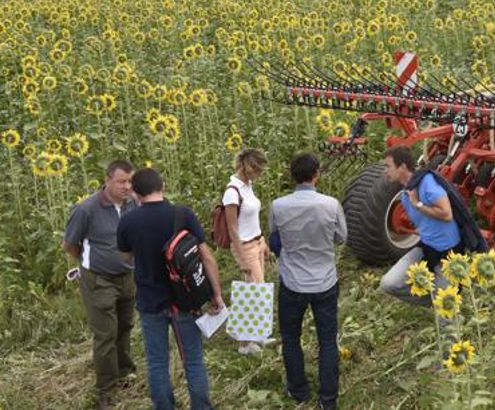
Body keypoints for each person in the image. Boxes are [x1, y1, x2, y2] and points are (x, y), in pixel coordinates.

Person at [117, 168, 224, 410]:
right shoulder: (182, 214)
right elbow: (206, 256)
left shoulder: (128, 221)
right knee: (194, 361)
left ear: (135, 192)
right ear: (162, 185)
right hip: (185, 300)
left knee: (157, 363)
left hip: (149, 302)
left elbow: (124, 256)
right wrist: (215, 293)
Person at [268, 152, 347, 409]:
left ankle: (299, 391)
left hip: (292, 282)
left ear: (292, 176)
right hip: (325, 281)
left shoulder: (278, 206)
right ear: (317, 175)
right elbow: (341, 238)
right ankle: (328, 399)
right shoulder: (331, 204)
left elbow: (274, 241)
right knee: (327, 340)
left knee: (290, 337)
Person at [62, 160, 137, 409]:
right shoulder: (86, 209)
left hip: (127, 276)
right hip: (99, 279)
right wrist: (88, 265)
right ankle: (106, 389)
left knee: (125, 325)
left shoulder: (132, 204)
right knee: (105, 334)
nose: (127, 186)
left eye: (130, 181)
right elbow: (70, 245)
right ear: (107, 180)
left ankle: (125, 373)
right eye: (121, 182)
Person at [379, 145, 459, 305]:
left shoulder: (427, 183)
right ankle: (437, 299)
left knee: (447, 323)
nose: (385, 171)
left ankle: (446, 301)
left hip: (447, 254)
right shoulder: (406, 193)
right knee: (388, 284)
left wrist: (419, 205)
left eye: (388, 166)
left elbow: (447, 214)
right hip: (426, 249)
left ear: (402, 167)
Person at [222, 148, 269, 355]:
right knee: (253, 291)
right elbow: (233, 227)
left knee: (257, 290)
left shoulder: (248, 186)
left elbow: (252, 218)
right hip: (244, 246)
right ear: (243, 166)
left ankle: (256, 334)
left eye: (260, 169)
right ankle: (245, 342)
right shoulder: (232, 191)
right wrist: (241, 258)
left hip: (256, 242)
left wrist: (263, 240)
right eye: (255, 169)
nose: (258, 173)